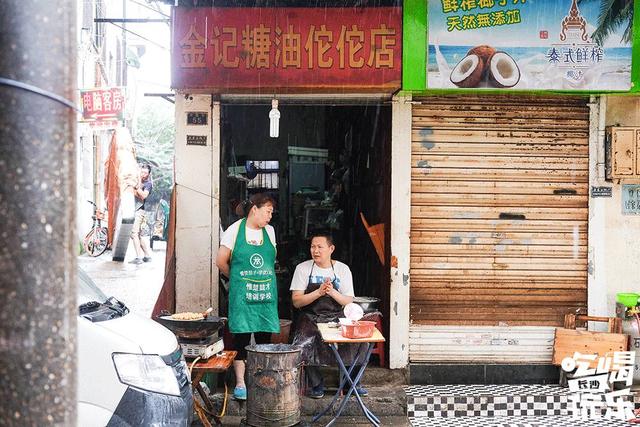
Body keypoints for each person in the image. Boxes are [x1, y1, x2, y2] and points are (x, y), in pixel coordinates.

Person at [216, 193, 280, 400]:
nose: (270, 216)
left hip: (265, 295)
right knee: (241, 338)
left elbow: (271, 259)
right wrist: (237, 279)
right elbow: (221, 261)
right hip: (243, 296)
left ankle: (262, 381)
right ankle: (241, 383)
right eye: (268, 211)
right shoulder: (234, 231)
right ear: (255, 209)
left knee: (264, 340)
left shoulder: (270, 232)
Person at [290, 232, 368, 399]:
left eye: (320, 247)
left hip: (337, 315)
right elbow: (297, 301)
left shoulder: (342, 269)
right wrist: (318, 292)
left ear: (331, 248)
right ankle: (316, 384)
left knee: (356, 341)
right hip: (311, 316)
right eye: (312, 247)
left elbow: (348, 300)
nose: (315, 251)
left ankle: (350, 383)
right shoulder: (302, 268)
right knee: (305, 340)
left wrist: (332, 292)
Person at [129, 163, 153, 265]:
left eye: (145, 173)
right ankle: (147, 256)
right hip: (134, 209)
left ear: (148, 174)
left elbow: (143, 196)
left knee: (134, 233)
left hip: (140, 210)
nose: (143, 174)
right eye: (142, 172)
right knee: (136, 234)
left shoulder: (148, 184)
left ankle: (139, 257)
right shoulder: (137, 180)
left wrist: (136, 188)